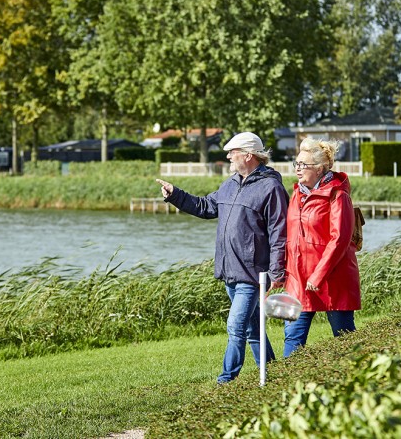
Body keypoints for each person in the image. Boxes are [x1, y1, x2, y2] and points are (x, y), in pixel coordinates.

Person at [155, 131, 287, 384]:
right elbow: (206, 207)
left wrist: (276, 272)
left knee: (236, 327)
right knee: (252, 328)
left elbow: (279, 233)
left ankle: (226, 381)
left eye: (232, 152)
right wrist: (175, 195)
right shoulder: (230, 183)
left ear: (248, 155)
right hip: (230, 271)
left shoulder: (271, 187)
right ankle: (274, 376)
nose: (227, 156)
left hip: (253, 273)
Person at [282, 137, 362, 358]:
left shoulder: (338, 194)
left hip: (333, 279)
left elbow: (340, 240)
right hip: (298, 278)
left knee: (344, 338)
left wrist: (318, 275)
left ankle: (358, 381)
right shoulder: (297, 194)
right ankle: (287, 387)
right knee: (293, 337)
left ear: (319, 169)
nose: (298, 169)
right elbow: (291, 236)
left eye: (303, 165)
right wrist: (283, 270)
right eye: (296, 164)